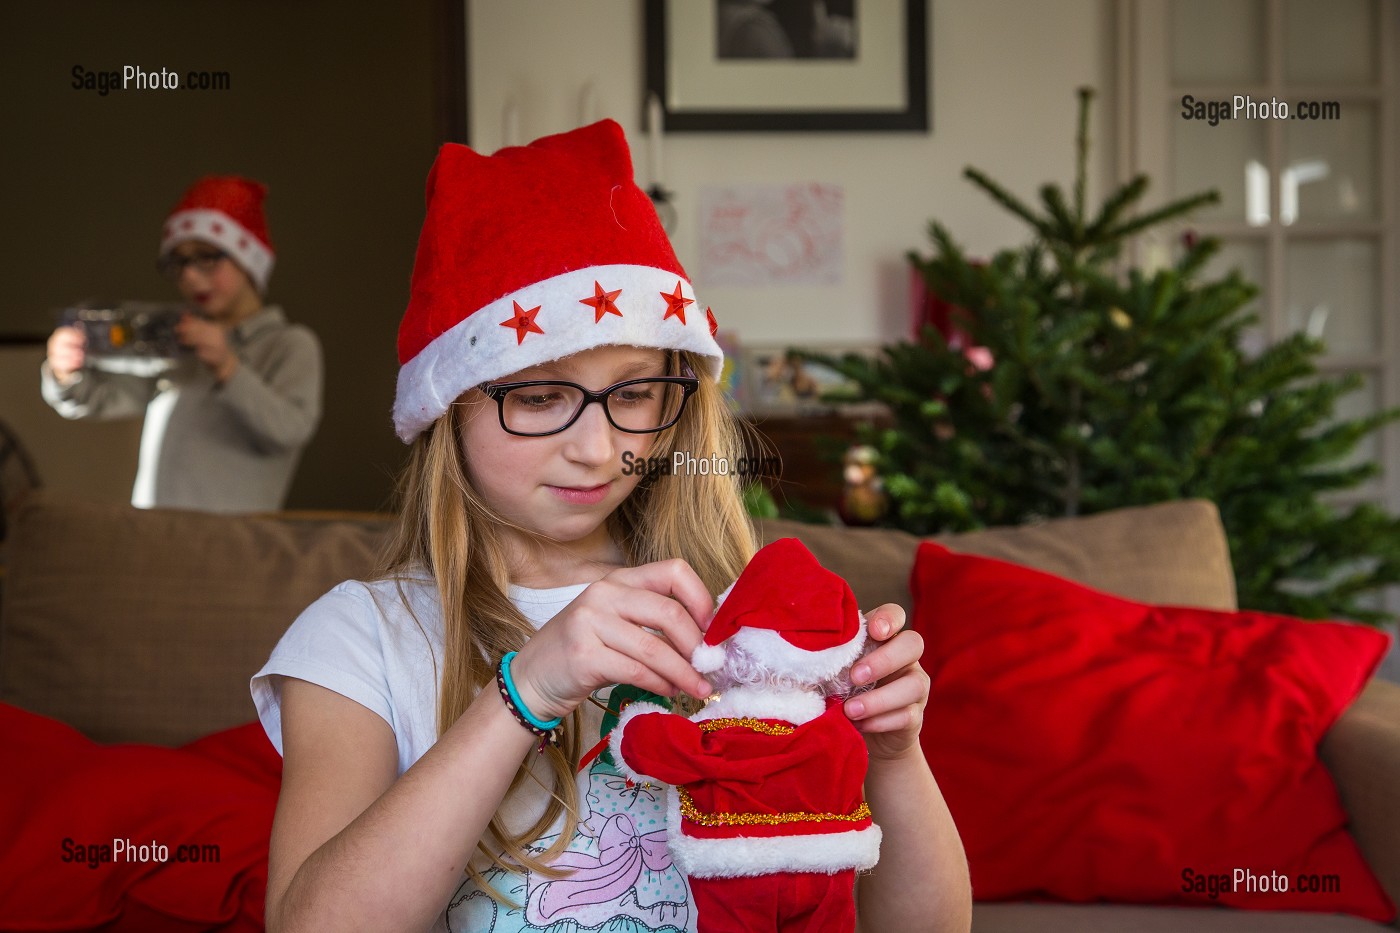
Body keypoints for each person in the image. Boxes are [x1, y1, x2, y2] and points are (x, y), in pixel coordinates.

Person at [251, 120, 970, 933]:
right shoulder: (362, 639)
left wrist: (894, 754)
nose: (598, 450)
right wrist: (525, 692)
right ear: (445, 407)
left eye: (633, 394)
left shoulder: (745, 628)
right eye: (537, 396)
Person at [40, 176, 322, 513]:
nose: (189, 276)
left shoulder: (290, 345)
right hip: (154, 534)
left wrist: (228, 367)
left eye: (207, 257)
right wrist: (65, 375)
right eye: (179, 262)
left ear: (249, 260)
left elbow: (288, 431)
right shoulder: (176, 344)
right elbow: (101, 399)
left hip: (236, 545)